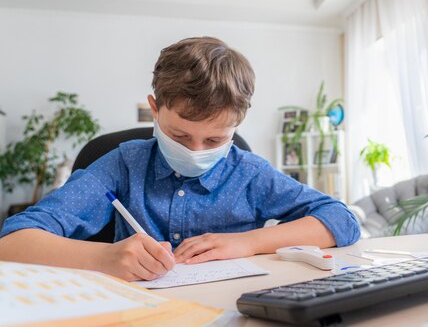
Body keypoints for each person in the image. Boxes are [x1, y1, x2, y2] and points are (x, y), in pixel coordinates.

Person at [0, 37, 360, 281]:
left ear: (238, 123)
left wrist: (247, 242)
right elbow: (12, 241)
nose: (196, 150)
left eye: (215, 139)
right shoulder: (122, 164)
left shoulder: (249, 173)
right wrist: (103, 258)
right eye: (179, 135)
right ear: (155, 110)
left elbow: (341, 220)